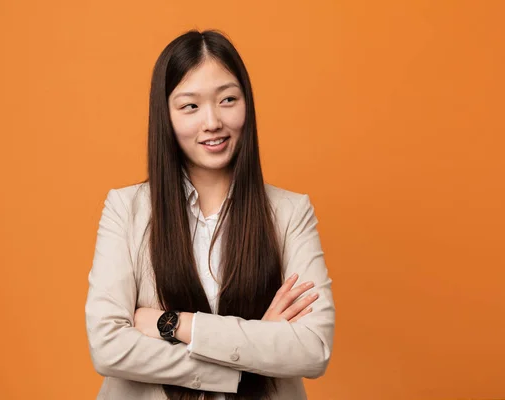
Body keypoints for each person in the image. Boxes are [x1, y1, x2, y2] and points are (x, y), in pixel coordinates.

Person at [85, 29, 335, 400]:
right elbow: (107, 346)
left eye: (228, 99)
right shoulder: (127, 209)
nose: (213, 122)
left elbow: (313, 349)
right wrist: (247, 354)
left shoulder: (290, 212)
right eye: (190, 106)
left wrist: (171, 324)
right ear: (165, 116)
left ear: (247, 104)